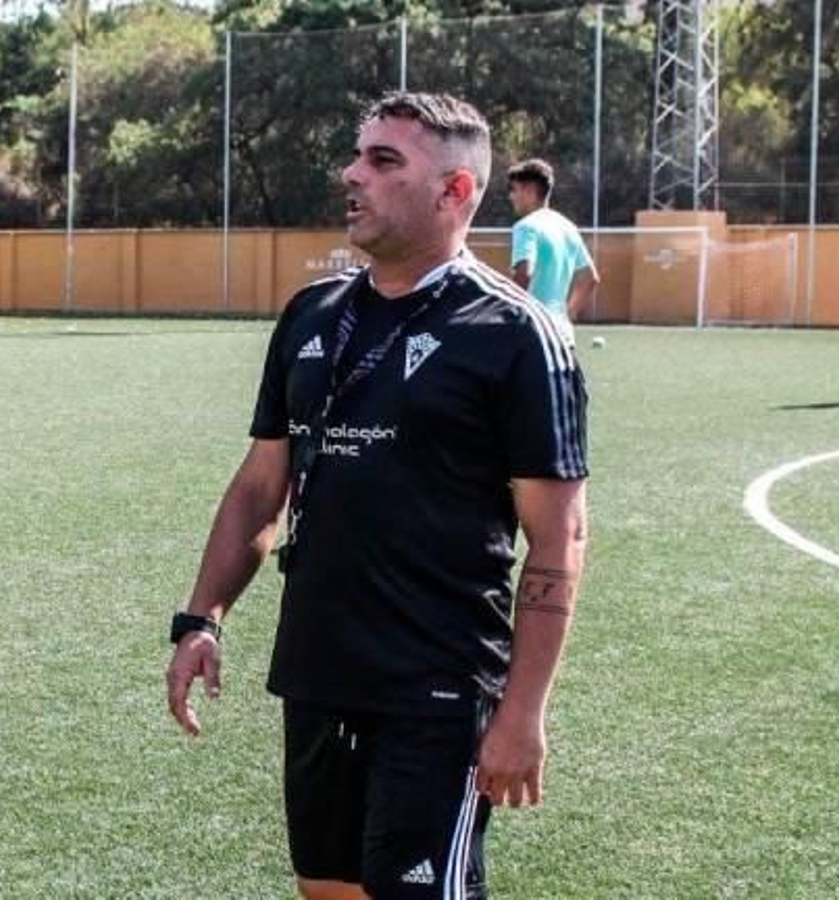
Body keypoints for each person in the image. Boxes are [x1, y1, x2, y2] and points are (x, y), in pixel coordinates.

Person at [164, 92, 589, 900]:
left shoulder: (514, 333)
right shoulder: (311, 315)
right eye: (357, 155)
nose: (351, 175)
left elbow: (559, 536)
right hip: (319, 672)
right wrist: (201, 616)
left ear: (455, 192)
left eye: (384, 161)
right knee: (327, 890)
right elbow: (262, 485)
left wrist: (524, 710)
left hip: (438, 689)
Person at [507, 158, 599, 347]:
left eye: (514, 189)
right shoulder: (568, 227)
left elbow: (525, 272)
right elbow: (590, 279)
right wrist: (568, 314)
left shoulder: (526, 227)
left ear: (530, 191)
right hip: (563, 336)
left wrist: (507, 314)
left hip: (534, 335)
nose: (511, 196)